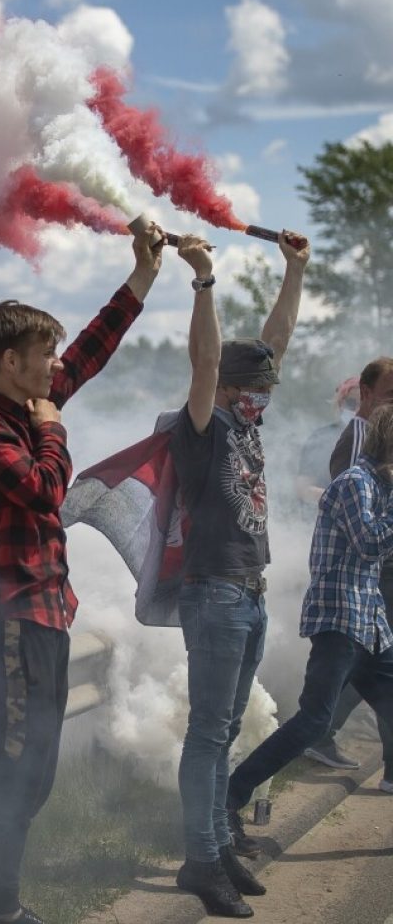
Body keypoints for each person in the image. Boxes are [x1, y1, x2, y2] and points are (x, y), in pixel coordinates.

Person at [0, 223, 165, 924]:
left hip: (42, 615)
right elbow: (43, 490)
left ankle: (1, 906)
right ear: (10, 360)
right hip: (9, 619)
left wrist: (142, 277)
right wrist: (53, 431)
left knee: (33, 776)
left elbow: (89, 355)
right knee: (9, 772)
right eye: (42, 355)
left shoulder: (29, 406)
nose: (53, 368)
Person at [169, 229, 310, 918]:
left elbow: (274, 342)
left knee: (224, 731)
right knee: (207, 732)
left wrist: (294, 272)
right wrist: (203, 283)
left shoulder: (247, 421)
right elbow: (203, 362)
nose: (263, 395)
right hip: (216, 594)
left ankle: (218, 841)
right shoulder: (204, 425)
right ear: (228, 388)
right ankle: (199, 859)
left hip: (248, 595)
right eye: (253, 387)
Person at [226, 405, 393, 822]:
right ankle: (231, 794)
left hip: (368, 622)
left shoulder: (379, 487)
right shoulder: (355, 483)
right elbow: (370, 544)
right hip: (341, 620)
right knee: (314, 721)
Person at [303, 356, 393, 775]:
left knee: (375, 665)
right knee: (370, 665)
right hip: (366, 575)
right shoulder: (361, 439)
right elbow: (357, 516)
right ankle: (319, 733)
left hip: (372, 572)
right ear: (367, 394)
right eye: (390, 395)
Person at [293, 377, 359, 511]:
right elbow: (303, 488)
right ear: (341, 403)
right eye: (352, 403)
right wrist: (340, 501)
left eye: (365, 403)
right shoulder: (321, 437)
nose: (358, 409)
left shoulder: (383, 442)